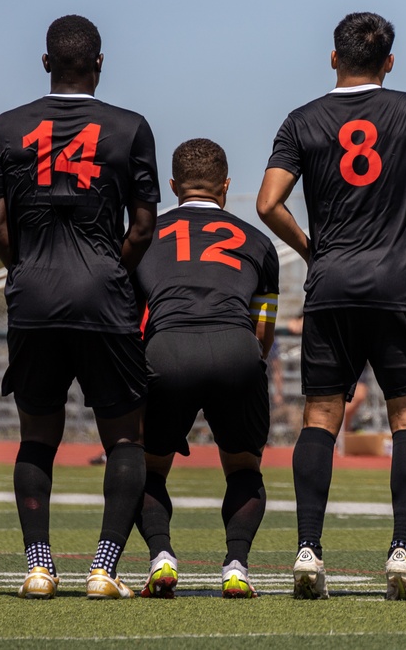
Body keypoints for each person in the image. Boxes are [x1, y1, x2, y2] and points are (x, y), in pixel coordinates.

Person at [256, 11, 406, 600]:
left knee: (320, 419)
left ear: (333, 58)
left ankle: (307, 548)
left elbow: (268, 202)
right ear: (390, 62)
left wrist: (311, 247)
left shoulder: (302, 120)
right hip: (399, 285)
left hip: (332, 286)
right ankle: (401, 552)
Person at [0, 15, 158, 600]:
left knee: (37, 436)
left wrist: (27, 273)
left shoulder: (5, 127)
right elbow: (143, 226)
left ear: (45, 62)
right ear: (100, 64)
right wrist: (110, 274)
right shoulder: (131, 128)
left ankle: (38, 567)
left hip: (32, 295)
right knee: (125, 440)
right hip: (103, 296)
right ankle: (104, 568)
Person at [132, 139, 279, 600]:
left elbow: (127, 319)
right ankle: (236, 565)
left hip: (166, 350)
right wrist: (248, 365)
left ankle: (161, 556)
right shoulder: (257, 240)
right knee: (243, 469)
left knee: (147, 469)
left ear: (172, 186)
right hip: (237, 348)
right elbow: (265, 329)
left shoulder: (142, 235)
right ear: (226, 186)